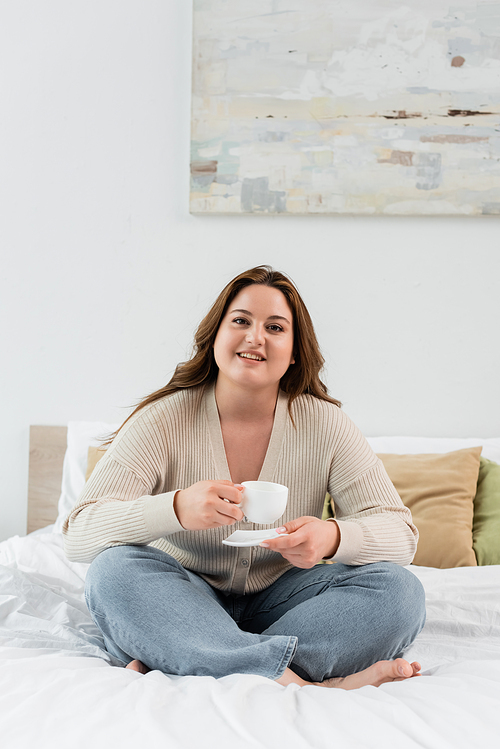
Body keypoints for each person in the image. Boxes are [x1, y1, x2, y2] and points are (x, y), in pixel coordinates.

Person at [63, 265, 426, 689]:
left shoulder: (326, 425)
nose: (256, 337)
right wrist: (175, 508)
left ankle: (191, 655)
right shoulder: (162, 419)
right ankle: (302, 681)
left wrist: (331, 536)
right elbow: (80, 533)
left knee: (400, 592)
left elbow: (401, 532)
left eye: (275, 327)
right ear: (216, 335)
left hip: (287, 600)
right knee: (113, 573)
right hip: (182, 594)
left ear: (293, 351)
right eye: (240, 321)